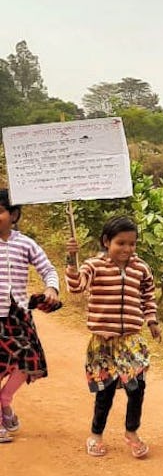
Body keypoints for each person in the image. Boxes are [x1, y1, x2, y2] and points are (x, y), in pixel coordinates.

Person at [66, 215, 161, 458]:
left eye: (132, 243)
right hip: (103, 344)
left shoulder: (141, 268)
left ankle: (132, 432)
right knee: (104, 391)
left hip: (130, 341)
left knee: (137, 388)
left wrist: (151, 320)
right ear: (106, 241)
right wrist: (71, 260)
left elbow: (147, 296)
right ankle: (95, 435)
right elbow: (76, 286)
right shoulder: (93, 266)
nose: (127, 249)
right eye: (121, 243)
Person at [0, 188, 60, 443]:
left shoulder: (25, 243)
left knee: (28, 359)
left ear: (13, 215)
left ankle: (5, 400)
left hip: (19, 314)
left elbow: (47, 269)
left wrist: (51, 288)